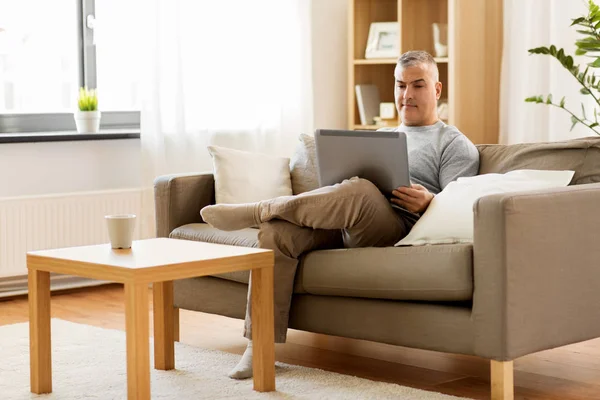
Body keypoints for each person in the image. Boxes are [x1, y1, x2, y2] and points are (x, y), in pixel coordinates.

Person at [200, 50, 480, 379]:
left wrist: (430, 202)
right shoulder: (380, 137)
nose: (406, 94)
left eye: (418, 85)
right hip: (348, 221)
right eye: (400, 85)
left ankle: (263, 207)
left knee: (361, 189)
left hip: (397, 228)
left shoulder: (454, 144)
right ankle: (259, 348)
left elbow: (462, 208)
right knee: (277, 233)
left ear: (436, 89)